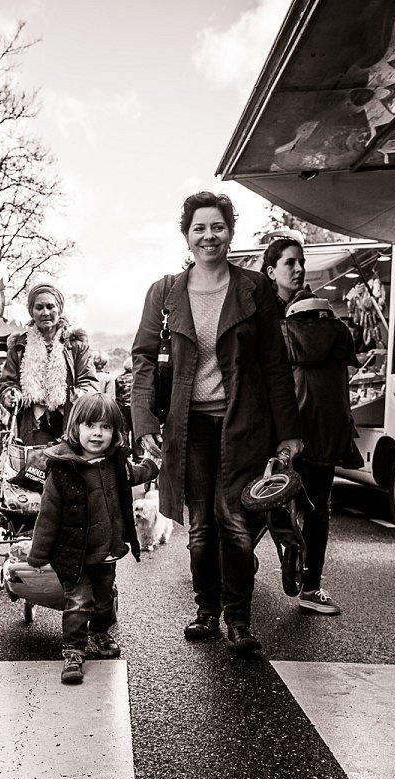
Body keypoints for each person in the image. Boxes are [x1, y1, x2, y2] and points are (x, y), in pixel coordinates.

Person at [131, 192, 302, 655]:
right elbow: (144, 359)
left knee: (237, 525)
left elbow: (275, 364)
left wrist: (288, 432)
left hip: (244, 424)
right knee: (202, 526)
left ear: (230, 231)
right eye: (199, 228)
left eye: (218, 227)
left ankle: (239, 619)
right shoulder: (165, 293)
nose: (209, 236)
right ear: (186, 235)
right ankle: (207, 609)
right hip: (189, 429)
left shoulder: (253, 289)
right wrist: (144, 419)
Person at [26, 395, 159, 684]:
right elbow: (48, 515)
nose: (98, 433)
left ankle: (99, 633)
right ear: (76, 428)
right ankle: (73, 649)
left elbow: (136, 474)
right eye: (90, 425)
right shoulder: (62, 468)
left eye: (106, 427)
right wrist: (38, 555)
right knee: (79, 601)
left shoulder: (115, 464)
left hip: (107, 549)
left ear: (115, 432)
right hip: (72, 553)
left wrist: (154, 465)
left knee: (104, 600)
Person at [261, 237, 359, 615]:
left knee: (270, 498)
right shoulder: (327, 319)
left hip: (284, 426)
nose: (298, 269)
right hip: (327, 429)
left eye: (300, 262)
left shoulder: (273, 319)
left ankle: (289, 547)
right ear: (272, 271)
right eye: (290, 263)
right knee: (318, 508)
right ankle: (311, 584)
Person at [0, 283, 98, 445]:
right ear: (31, 311)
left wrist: (82, 393)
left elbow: (89, 381)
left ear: (59, 309)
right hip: (35, 424)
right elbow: (8, 383)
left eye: (50, 307)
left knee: (69, 467)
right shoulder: (19, 347)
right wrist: (11, 393)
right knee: (38, 467)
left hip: (72, 420)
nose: (45, 313)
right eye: (39, 307)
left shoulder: (75, 345)